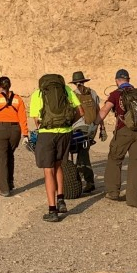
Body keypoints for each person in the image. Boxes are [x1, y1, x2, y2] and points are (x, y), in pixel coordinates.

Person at [28, 73, 83, 222]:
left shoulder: (38, 93)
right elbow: (81, 112)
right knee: (59, 166)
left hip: (47, 133)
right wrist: (68, 125)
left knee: (48, 171)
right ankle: (61, 200)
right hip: (65, 133)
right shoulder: (66, 90)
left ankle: (52, 210)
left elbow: (36, 119)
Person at [98, 69, 137, 207]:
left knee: (115, 159)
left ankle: (113, 192)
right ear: (129, 79)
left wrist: (94, 122)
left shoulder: (115, 94)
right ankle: (134, 200)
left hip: (123, 131)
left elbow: (104, 110)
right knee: (136, 164)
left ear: (116, 80)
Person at [69, 71, 101, 193]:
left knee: (82, 154)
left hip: (78, 129)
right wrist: (101, 127)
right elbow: (98, 111)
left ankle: (85, 181)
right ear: (84, 81)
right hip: (91, 128)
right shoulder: (92, 92)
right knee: (84, 152)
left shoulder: (72, 95)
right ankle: (83, 179)